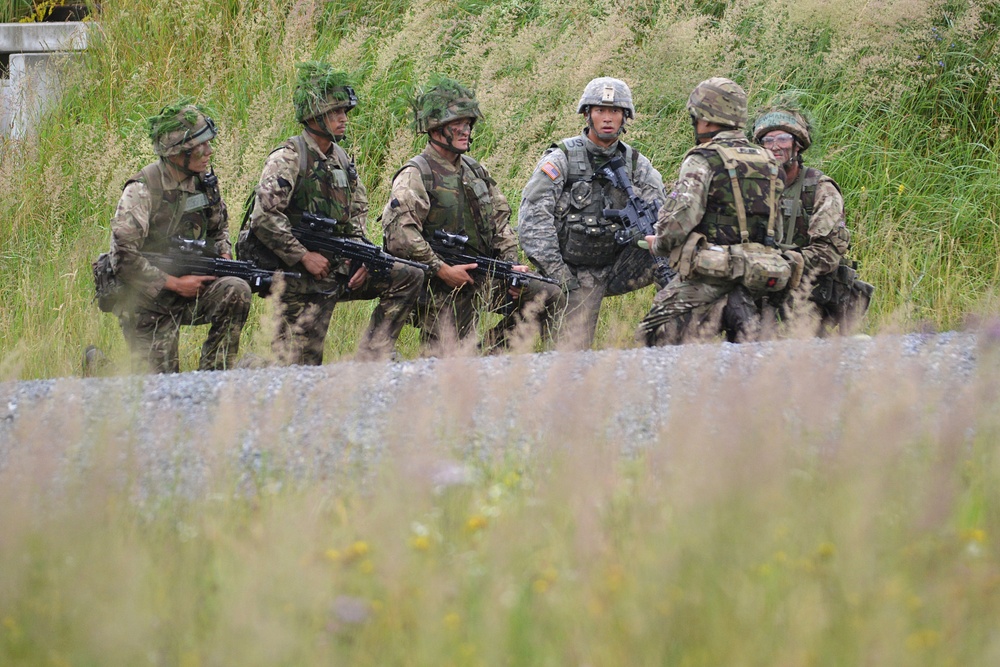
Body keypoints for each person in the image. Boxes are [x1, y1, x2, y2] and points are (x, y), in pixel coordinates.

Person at [238, 61, 423, 365]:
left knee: (408, 275)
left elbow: (358, 211)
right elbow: (264, 218)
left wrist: (361, 254)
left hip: (335, 263)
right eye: (335, 112)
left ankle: (373, 354)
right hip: (295, 271)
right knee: (300, 366)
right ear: (315, 116)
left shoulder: (341, 159)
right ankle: (251, 369)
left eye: (344, 112)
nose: (343, 119)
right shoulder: (288, 157)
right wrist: (303, 256)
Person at [381, 75, 560, 353]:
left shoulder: (475, 170)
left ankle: (488, 353)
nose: (465, 130)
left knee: (548, 294)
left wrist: (511, 269)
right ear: (436, 129)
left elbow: (500, 223)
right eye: (457, 125)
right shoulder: (417, 174)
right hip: (438, 283)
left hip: (482, 275)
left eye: (468, 124)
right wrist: (442, 269)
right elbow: (400, 236)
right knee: (445, 366)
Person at [637, 77, 796, 345]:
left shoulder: (702, 159)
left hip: (711, 273)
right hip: (761, 274)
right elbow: (776, 230)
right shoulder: (770, 162)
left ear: (707, 119)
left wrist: (659, 244)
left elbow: (677, 223)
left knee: (651, 334)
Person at [519, 77, 666, 349]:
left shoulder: (636, 163)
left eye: (615, 111)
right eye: (600, 111)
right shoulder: (561, 158)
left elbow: (663, 216)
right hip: (572, 270)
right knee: (571, 355)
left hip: (616, 264)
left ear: (625, 117)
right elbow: (533, 224)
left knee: (675, 261)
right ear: (588, 114)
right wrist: (561, 277)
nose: (607, 118)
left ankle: (663, 341)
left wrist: (647, 235)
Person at [108, 99, 251, 373]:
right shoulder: (142, 190)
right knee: (158, 388)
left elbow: (219, 228)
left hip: (192, 287)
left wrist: (223, 258)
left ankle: (214, 377)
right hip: (146, 298)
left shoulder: (204, 182)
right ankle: (99, 369)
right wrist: (174, 283)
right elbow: (123, 258)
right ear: (177, 152)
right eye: (201, 145)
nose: (209, 151)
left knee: (237, 288)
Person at [751, 103, 870, 335]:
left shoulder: (820, 188)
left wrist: (782, 265)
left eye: (783, 139)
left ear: (797, 145)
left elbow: (828, 253)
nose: (775, 146)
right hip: (762, 290)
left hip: (809, 291)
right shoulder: (753, 188)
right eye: (767, 140)